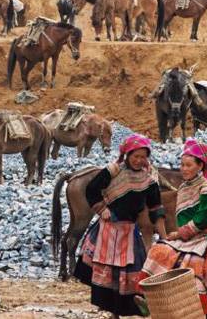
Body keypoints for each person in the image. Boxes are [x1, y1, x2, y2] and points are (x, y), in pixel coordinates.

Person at [74, 134, 166, 318]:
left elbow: (156, 207)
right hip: (108, 230)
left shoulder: (149, 179)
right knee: (110, 274)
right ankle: (113, 312)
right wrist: (101, 209)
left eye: (143, 157)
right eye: (135, 156)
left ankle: (135, 308)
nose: (139, 161)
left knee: (133, 273)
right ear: (126, 154)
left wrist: (164, 235)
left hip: (129, 231)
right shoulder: (113, 171)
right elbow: (91, 189)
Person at [139, 139, 207, 319]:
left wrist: (180, 234)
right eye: (182, 165)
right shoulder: (184, 187)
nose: (183, 169)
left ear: (200, 166)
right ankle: (149, 297)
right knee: (158, 250)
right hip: (189, 238)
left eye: (188, 165)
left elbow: (204, 218)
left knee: (192, 265)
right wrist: (178, 236)